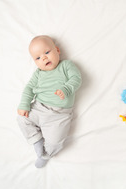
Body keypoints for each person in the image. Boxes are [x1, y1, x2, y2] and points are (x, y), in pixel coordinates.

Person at [17, 35, 82, 168]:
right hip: (38, 107)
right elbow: (29, 88)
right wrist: (24, 104)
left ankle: (45, 155)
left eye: (47, 52)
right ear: (35, 62)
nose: (44, 58)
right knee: (22, 119)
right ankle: (37, 140)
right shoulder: (38, 73)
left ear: (57, 50)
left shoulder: (66, 65)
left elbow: (76, 79)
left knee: (56, 140)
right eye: (38, 58)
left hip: (59, 115)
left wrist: (66, 89)